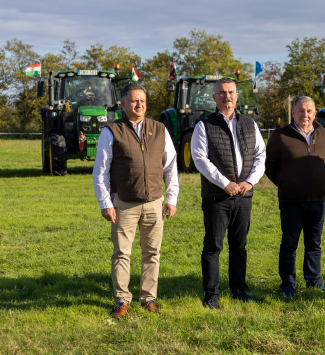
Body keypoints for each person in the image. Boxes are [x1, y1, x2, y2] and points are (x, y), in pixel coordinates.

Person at [92, 82, 179, 318]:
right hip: (124, 203)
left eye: (142, 100)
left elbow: (170, 166)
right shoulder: (111, 131)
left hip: (154, 203)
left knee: (152, 252)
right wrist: (105, 203)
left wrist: (171, 198)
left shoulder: (160, 129)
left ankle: (148, 298)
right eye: (133, 100)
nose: (138, 104)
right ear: (123, 104)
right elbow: (100, 171)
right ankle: (122, 300)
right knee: (122, 253)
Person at [190, 78, 266, 309]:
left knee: (239, 246)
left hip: (243, 196)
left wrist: (250, 182)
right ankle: (212, 294)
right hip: (217, 197)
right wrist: (225, 183)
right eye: (222, 93)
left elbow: (261, 155)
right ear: (214, 98)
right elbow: (200, 159)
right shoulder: (204, 125)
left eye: (231, 92)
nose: (227, 96)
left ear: (237, 96)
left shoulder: (250, 124)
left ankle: (239, 290)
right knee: (213, 246)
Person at [265, 96, 325, 298]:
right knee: (290, 244)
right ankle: (288, 284)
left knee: (314, 243)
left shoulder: (324, 134)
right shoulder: (280, 136)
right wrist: (287, 183)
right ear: (293, 113)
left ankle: (313, 281)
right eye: (301, 111)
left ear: (315, 113)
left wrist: (324, 183)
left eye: (310, 111)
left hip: (318, 200)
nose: (305, 115)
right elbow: (269, 166)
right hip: (291, 201)